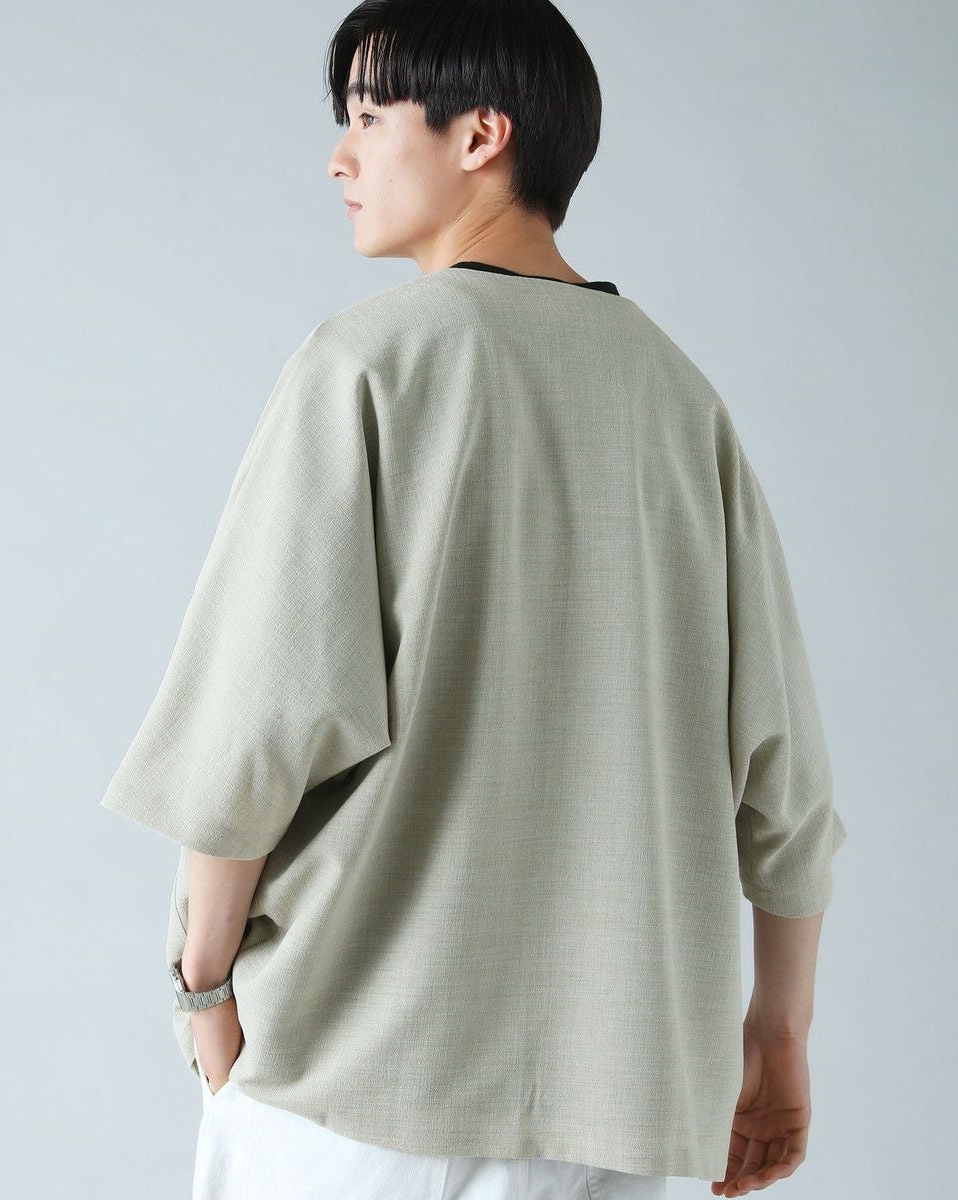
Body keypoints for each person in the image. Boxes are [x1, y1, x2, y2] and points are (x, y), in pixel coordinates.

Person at [99, 2, 847, 1198]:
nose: (338, 157)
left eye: (366, 117)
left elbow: (248, 734)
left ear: (480, 134)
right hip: (616, 1112)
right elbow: (786, 787)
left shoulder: (368, 365)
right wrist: (778, 1033)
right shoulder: (680, 402)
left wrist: (203, 993)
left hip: (356, 1087)